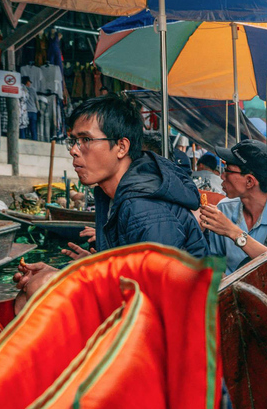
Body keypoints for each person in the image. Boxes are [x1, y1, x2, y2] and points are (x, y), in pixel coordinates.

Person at [14, 94, 209, 298]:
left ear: (121, 147)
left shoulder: (145, 208)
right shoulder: (110, 196)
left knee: (41, 285)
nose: (73, 150)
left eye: (86, 140)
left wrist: (69, 276)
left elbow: (157, 294)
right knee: (30, 290)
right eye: (73, 141)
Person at [202, 139, 267, 274]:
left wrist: (234, 232)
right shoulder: (223, 209)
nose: (222, 176)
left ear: (249, 181)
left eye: (227, 170)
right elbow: (216, 264)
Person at [22, 76, 38, 140]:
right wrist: (38, 110)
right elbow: (36, 101)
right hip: (33, 111)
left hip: (26, 111)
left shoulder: (22, 89)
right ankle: (35, 141)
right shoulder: (33, 90)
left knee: (24, 127)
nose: (30, 84)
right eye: (29, 82)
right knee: (33, 128)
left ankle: (23, 139)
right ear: (27, 82)